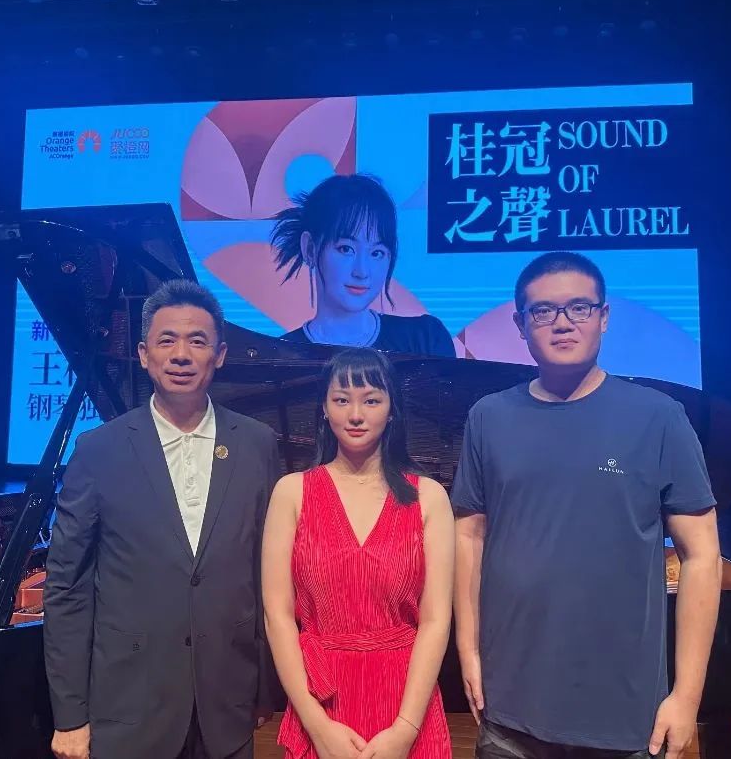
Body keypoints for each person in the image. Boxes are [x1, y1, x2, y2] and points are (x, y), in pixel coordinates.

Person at [451, 252, 722, 759]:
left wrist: (687, 696)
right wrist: (467, 651)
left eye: (579, 307)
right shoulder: (488, 418)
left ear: (604, 317)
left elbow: (702, 556)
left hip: (625, 715)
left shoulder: (659, 417)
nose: (562, 323)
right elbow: (468, 537)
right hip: (509, 708)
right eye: (543, 311)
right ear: (520, 324)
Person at [44, 279, 282, 759]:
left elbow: (266, 573)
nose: (181, 355)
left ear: (220, 355)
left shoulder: (257, 444)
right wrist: (70, 716)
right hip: (129, 707)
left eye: (197, 341)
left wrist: (264, 686)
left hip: (227, 706)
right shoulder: (99, 450)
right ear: (143, 354)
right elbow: (67, 587)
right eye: (166, 340)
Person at [262, 347, 455, 759]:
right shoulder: (292, 493)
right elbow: (277, 616)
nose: (355, 415)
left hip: (406, 701)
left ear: (392, 410)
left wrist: (405, 730)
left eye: (371, 400)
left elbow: (436, 621)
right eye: (341, 399)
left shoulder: (429, 498)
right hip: (322, 701)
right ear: (324, 409)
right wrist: (317, 726)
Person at [270, 173, 456, 357]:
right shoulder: (278, 357)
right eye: (346, 249)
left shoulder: (424, 341)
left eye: (377, 253)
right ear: (310, 248)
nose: (362, 272)